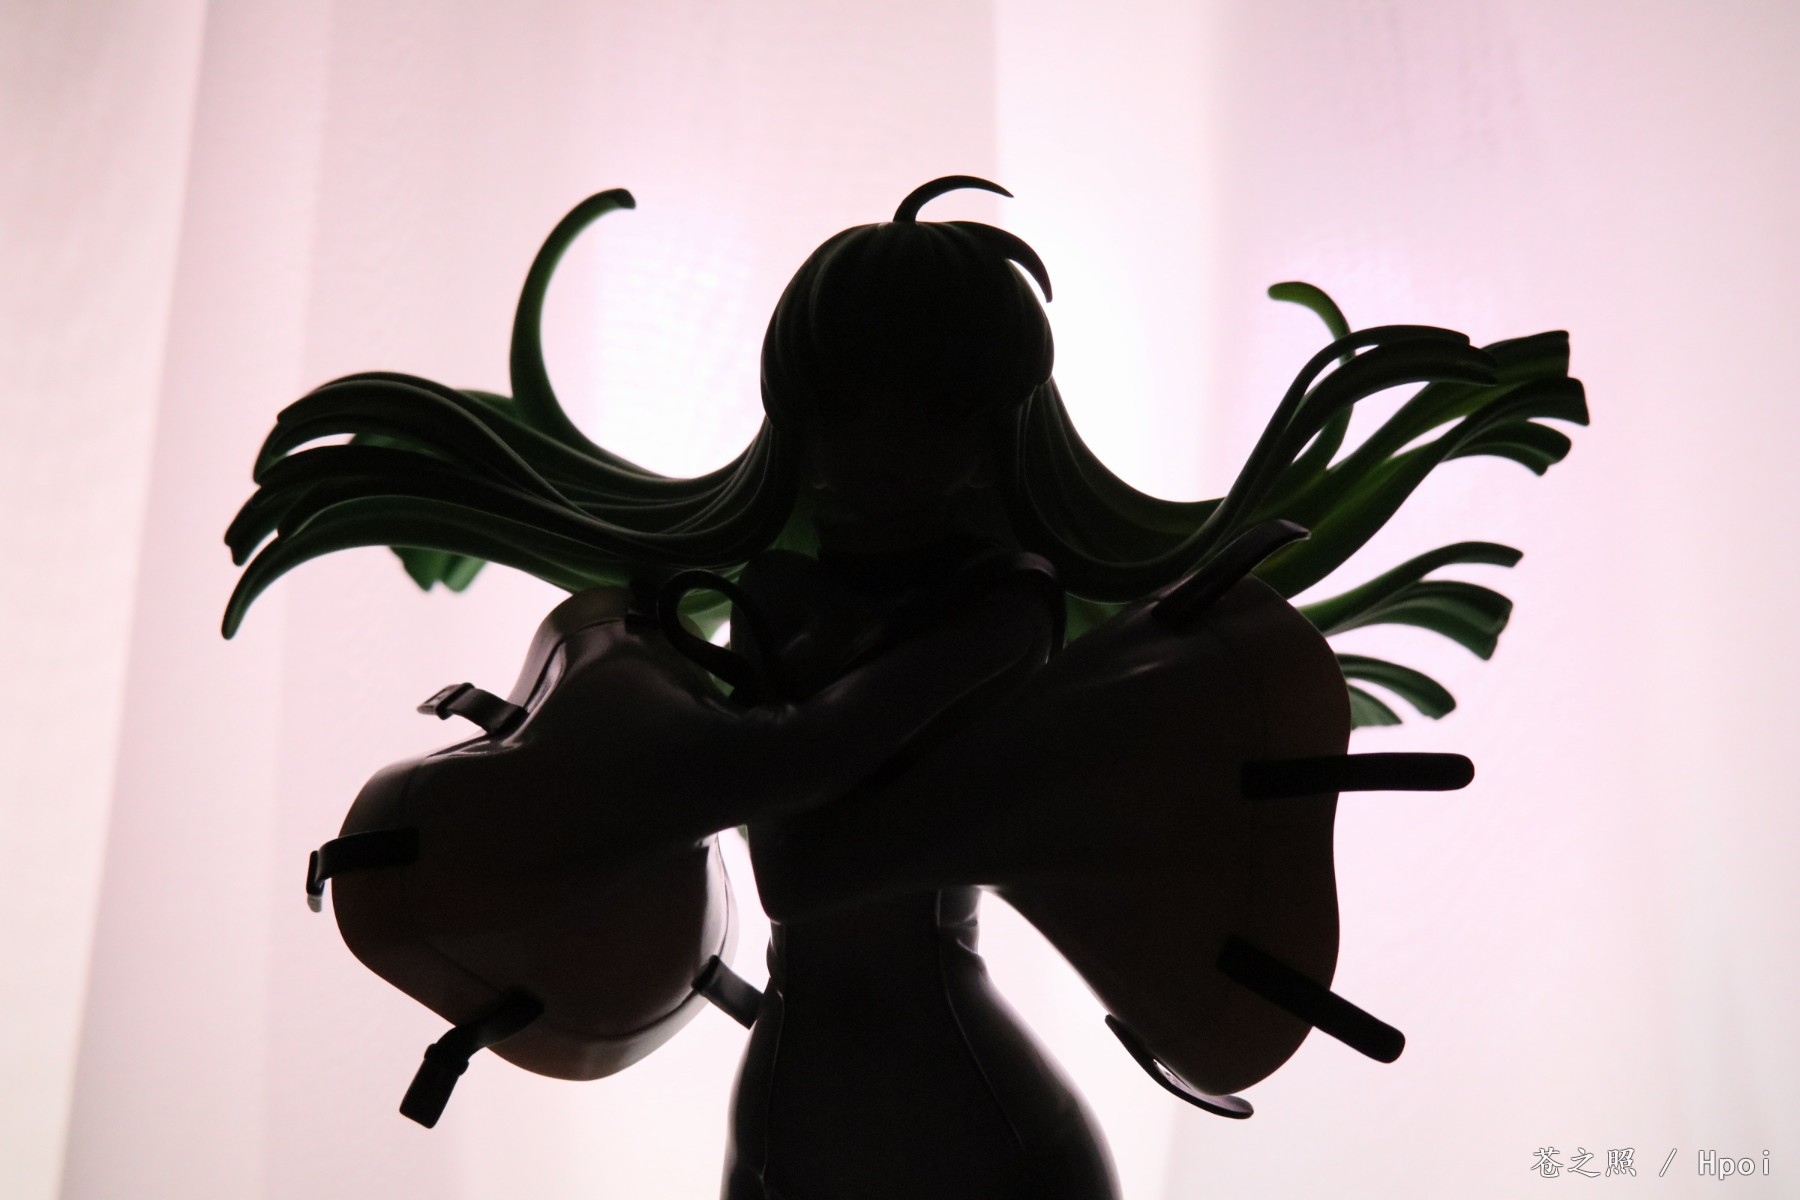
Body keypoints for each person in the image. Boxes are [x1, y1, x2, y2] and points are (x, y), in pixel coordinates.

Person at [225, 176, 1585, 1197]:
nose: (864, 450)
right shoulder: (784, 596)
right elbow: (790, 820)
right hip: (805, 1091)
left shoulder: (1003, 610)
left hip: (964, 1100)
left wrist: (635, 760)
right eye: (835, 408)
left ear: (988, 429)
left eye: (918, 410)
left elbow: (812, 856)